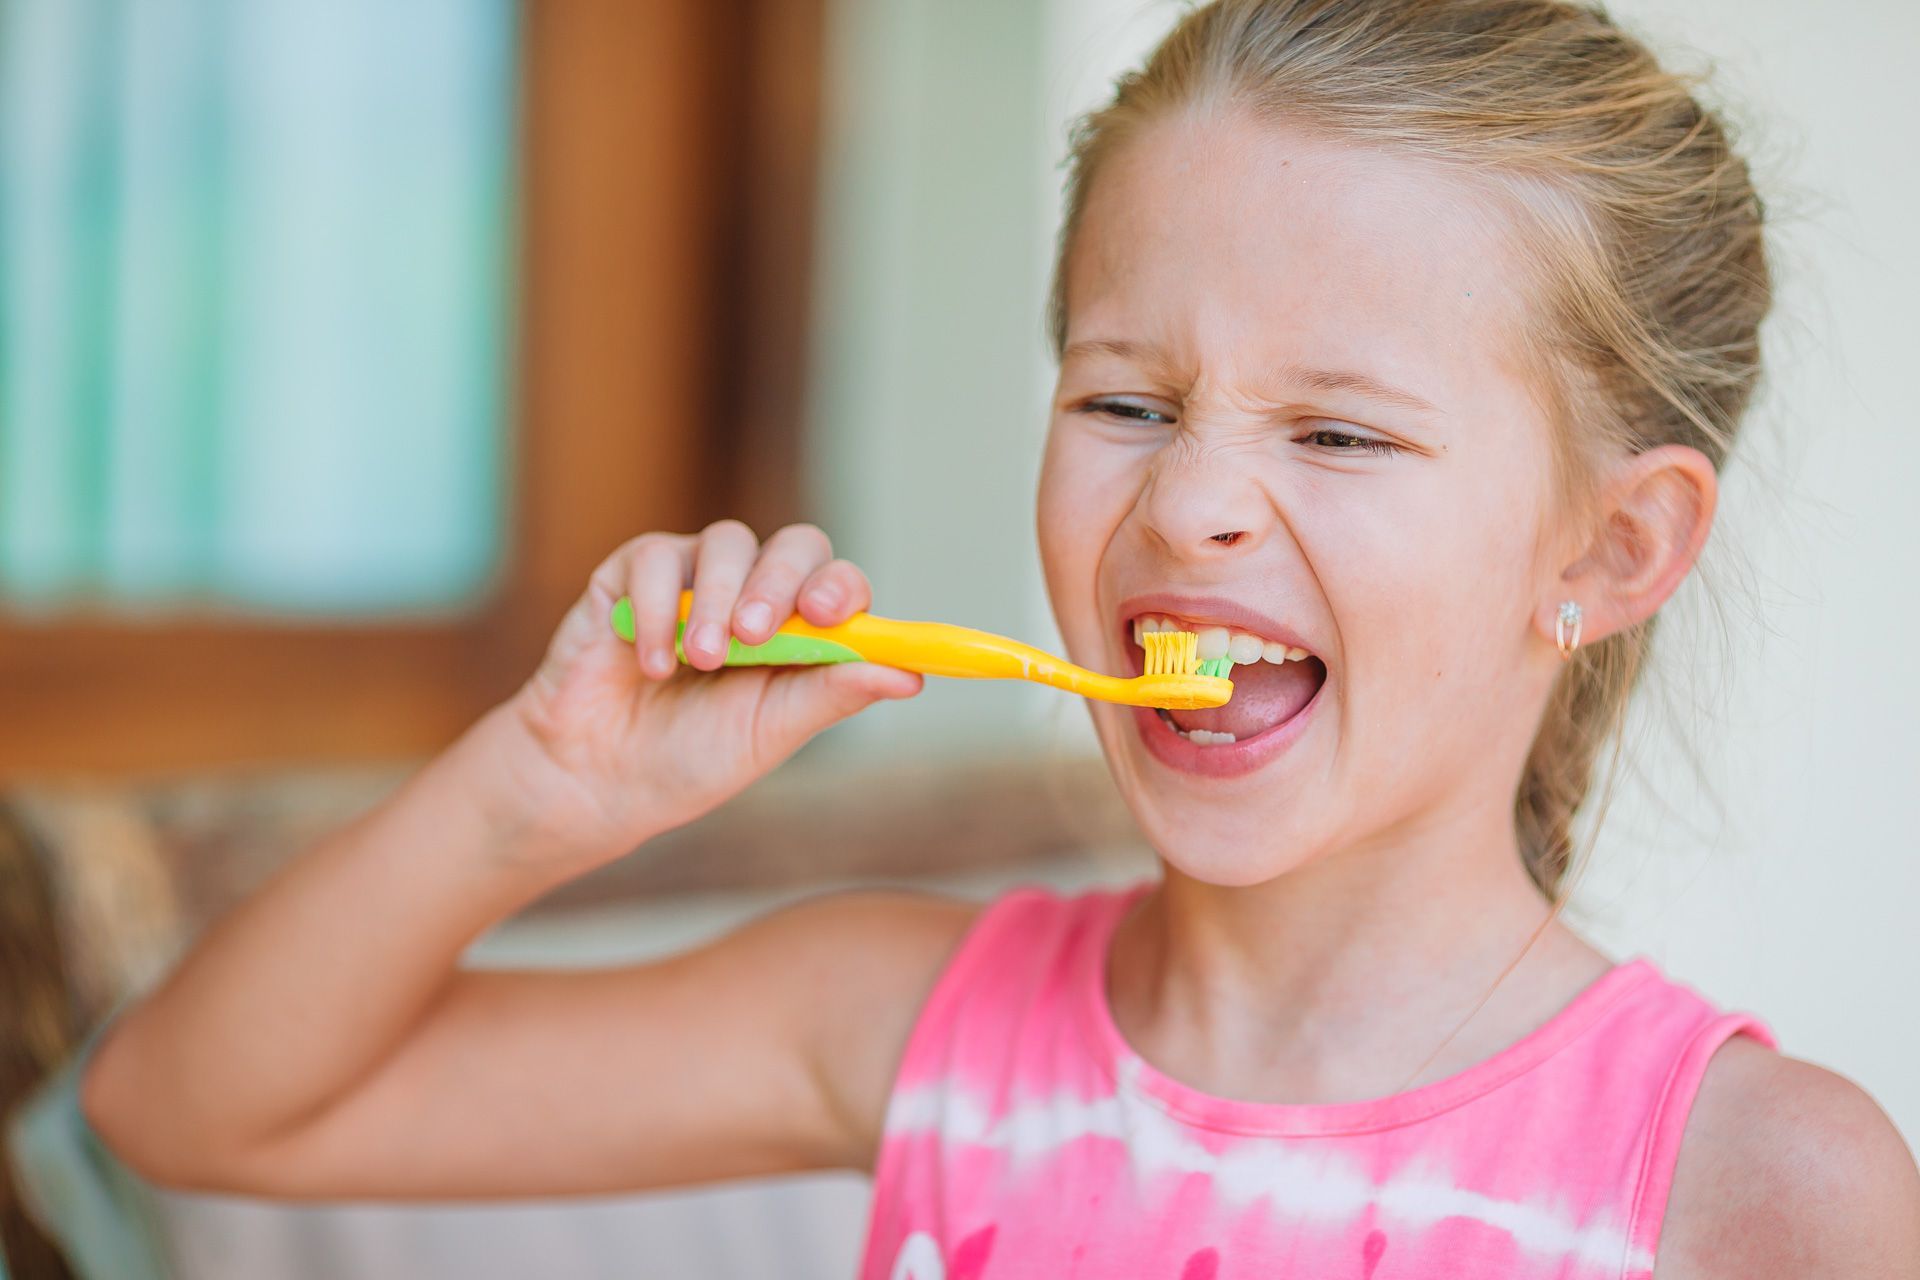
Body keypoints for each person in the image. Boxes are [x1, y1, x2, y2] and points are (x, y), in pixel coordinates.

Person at [83, 1, 1920, 1275]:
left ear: (1612, 545)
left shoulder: (1757, 1188)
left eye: (1339, 432)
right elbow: (185, 1105)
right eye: (1126, 399)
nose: (1189, 504)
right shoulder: (906, 1025)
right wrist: (540, 791)